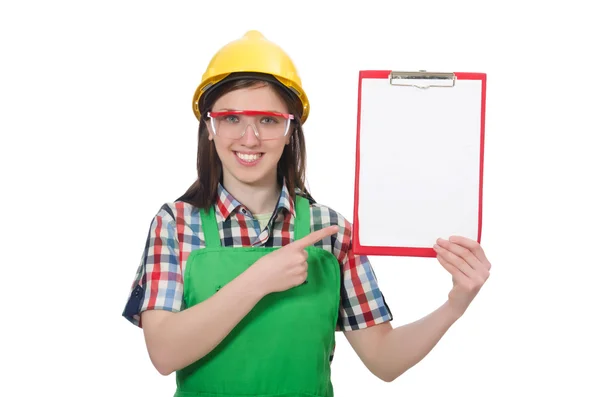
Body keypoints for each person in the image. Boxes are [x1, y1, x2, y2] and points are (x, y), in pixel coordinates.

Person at [122, 30, 492, 396]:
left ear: (290, 130)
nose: (249, 138)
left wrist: (455, 304)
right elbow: (164, 352)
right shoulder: (174, 224)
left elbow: (384, 359)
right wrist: (259, 279)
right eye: (232, 118)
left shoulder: (331, 231)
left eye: (267, 120)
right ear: (209, 127)